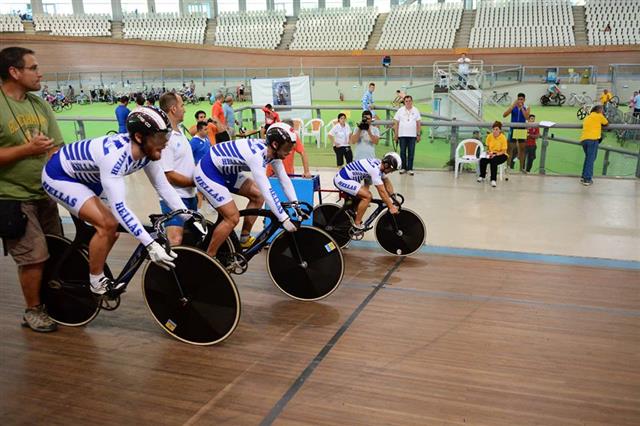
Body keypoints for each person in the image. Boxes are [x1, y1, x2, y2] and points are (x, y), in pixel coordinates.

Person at [41, 106, 190, 295]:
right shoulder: (114, 158)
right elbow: (121, 208)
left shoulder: (148, 151)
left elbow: (163, 187)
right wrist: (149, 244)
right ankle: (96, 282)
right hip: (60, 176)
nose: (165, 143)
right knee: (108, 225)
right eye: (160, 137)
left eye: (166, 136)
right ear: (138, 137)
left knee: (111, 230)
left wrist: (188, 218)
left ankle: (89, 251)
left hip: (90, 178)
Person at [0, 46, 65, 332]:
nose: (40, 73)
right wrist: (28, 149)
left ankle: (53, 301)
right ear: (14, 72)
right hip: (11, 197)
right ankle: (32, 310)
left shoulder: (40, 105)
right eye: (33, 67)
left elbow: (57, 148)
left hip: (45, 194)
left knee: (57, 250)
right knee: (34, 256)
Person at [193, 123, 300, 256]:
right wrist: (283, 218)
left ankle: (244, 238)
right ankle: (209, 257)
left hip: (225, 171)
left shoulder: (273, 154)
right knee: (232, 218)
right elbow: (267, 190)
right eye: (288, 147)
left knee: (258, 196)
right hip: (208, 171)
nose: (290, 151)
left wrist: (296, 204)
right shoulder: (256, 156)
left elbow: (284, 180)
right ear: (275, 145)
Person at [158, 92, 197, 246]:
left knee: (190, 240)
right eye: (182, 105)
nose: (184, 109)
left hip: (190, 196)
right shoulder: (166, 138)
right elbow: (169, 175)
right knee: (175, 241)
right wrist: (195, 182)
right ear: (173, 109)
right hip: (175, 198)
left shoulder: (180, 130)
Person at [333, 153, 400, 231]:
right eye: (392, 170)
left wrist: (393, 197)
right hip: (342, 179)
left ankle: (352, 211)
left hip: (349, 178)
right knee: (368, 196)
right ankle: (357, 224)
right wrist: (391, 207)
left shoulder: (379, 165)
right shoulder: (375, 170)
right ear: (386, 165)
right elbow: (382, 191)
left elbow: (386, 182)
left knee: (364, 197)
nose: (391, 172)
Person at [579, 105, 608, 186]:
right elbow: (606, 123)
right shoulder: (599, 116)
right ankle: (587, 179)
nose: (603, 111)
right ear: (599, 110)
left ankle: (584, 176)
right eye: (602, 110)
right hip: (593, 140)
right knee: (591, 159)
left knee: (588, 158)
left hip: (584, 140)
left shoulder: (588, 117)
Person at [393, 95, 421, 176]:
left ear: (412, 101)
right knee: (402, 152)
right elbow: (396, 122)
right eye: (406, 101)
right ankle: (403, 167)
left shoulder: (416, 110)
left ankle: (410, 168)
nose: (408, 102)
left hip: (412, 135)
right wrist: (396, 134)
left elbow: (418, 123)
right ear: (404, 102)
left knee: (411, 152)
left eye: (409, 101)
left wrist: (418, 134)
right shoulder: (400, 110)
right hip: (402, 135)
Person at [503, 92, 530, 171]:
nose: (520, 101)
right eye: (518, 99)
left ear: (524, 100)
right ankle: (508, 166)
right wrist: (512, 106)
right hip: (513, 128)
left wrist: (522, 108)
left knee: (522, 149)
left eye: (521, 99)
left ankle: (521, 168)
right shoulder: (513, 106)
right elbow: (504, 115)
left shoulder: (527, 107)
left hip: (521, 129)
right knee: (510, 148)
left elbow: (527, 117)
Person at [477, 121, 508, 188]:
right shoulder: (489, 136)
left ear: (500, 130)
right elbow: (487, 147)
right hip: (491, 153)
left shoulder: (503, 137)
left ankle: (493, 179)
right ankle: (482, 176)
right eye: (493, 129)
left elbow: (503, 151)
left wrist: (496, 154)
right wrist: (488, 152)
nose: (495, 131)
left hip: (501, 154)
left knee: (494, 161)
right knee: (483, 160)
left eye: (496, 129)